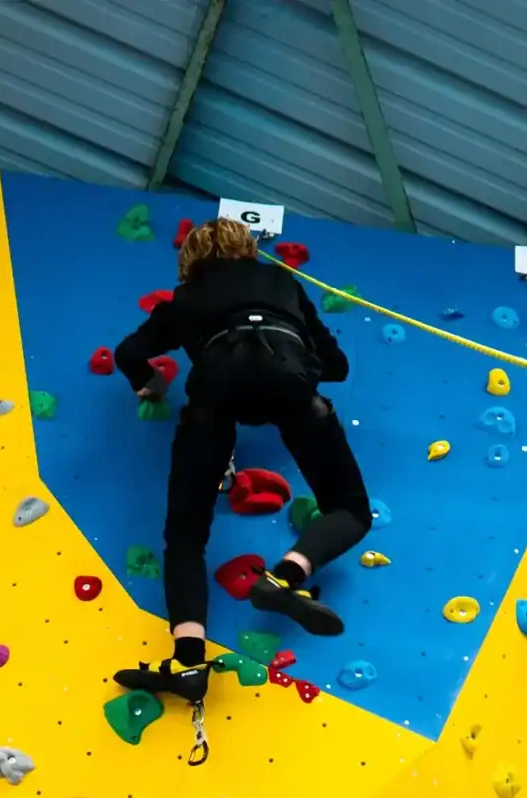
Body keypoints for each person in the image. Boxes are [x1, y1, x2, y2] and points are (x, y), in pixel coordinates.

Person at [111, 217, 372, 708]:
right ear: (247, 248)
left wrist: (154, 384)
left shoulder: (186, 298)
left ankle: (189, 664)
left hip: (216, 393)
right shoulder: (280, 280)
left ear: (191, 262)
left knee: (186, 536)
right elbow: (336, 366)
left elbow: (129, 352)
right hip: (289, 383)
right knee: (351, 510)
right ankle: (284, 578)